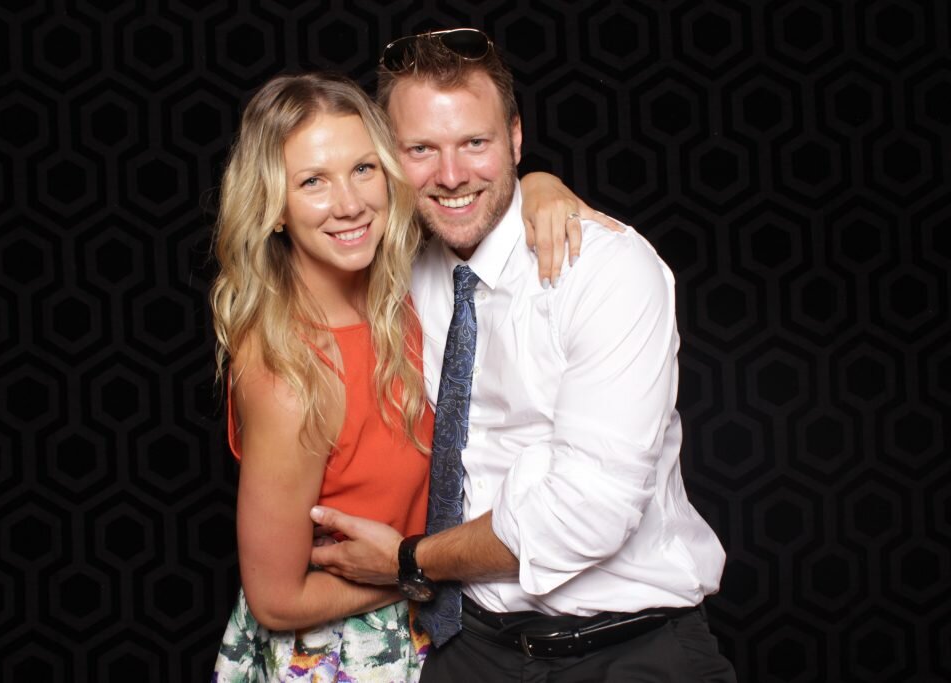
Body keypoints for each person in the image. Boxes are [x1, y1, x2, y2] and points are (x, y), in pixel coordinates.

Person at [310, 29, 738, 682]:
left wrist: (408, 560)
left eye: (474, 143)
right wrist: (539, 182)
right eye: (420, 148)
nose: (451, 175)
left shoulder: (605, 271)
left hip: (628, 651)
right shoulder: (401, 267)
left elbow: (583, 516)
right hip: (469, 647)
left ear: (513, 138)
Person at [208, 70, 609, 681]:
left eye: (364, 169)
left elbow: (469, 192)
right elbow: (275, 598)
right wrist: (417, 574)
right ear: (274, 208)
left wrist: (540, 186)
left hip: (462, 635)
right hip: (346, 655)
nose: (349, 203)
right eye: (312, 181)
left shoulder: (410, 279)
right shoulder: (288, 373)